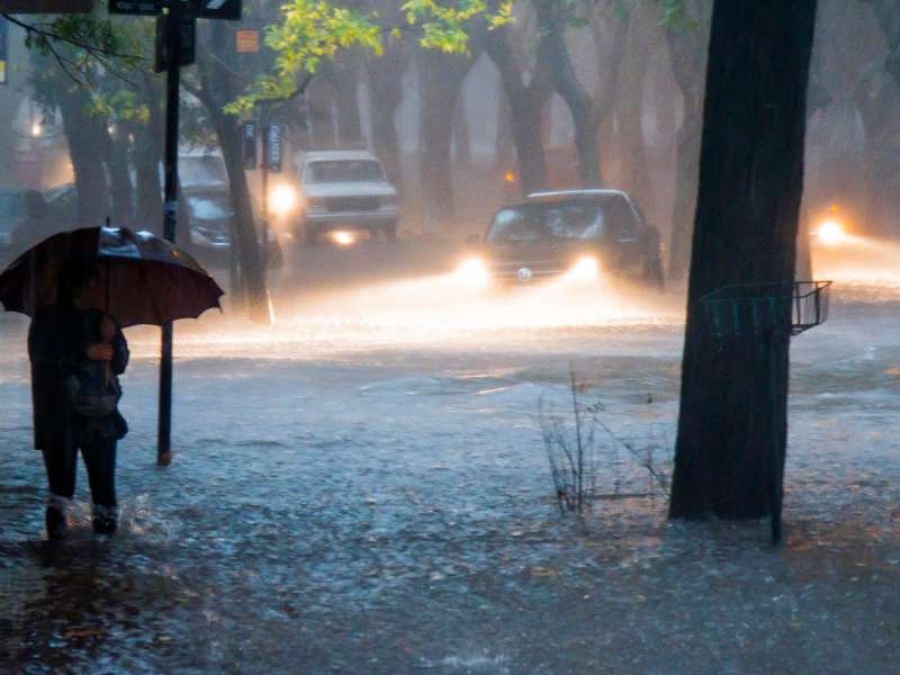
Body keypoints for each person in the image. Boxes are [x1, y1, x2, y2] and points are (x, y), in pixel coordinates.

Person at [27, 259, 129, 540]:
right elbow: (43, 361)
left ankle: (104, 554)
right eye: (90, 285)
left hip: (100, 416)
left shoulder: (102, 318)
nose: (95, 292)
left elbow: (119, 364)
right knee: (61, 490)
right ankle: (57, 555)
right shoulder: (47, 319)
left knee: (104, 489)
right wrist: (85, 352)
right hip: (60, 417)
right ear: (75, 287)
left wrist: (114, 342)